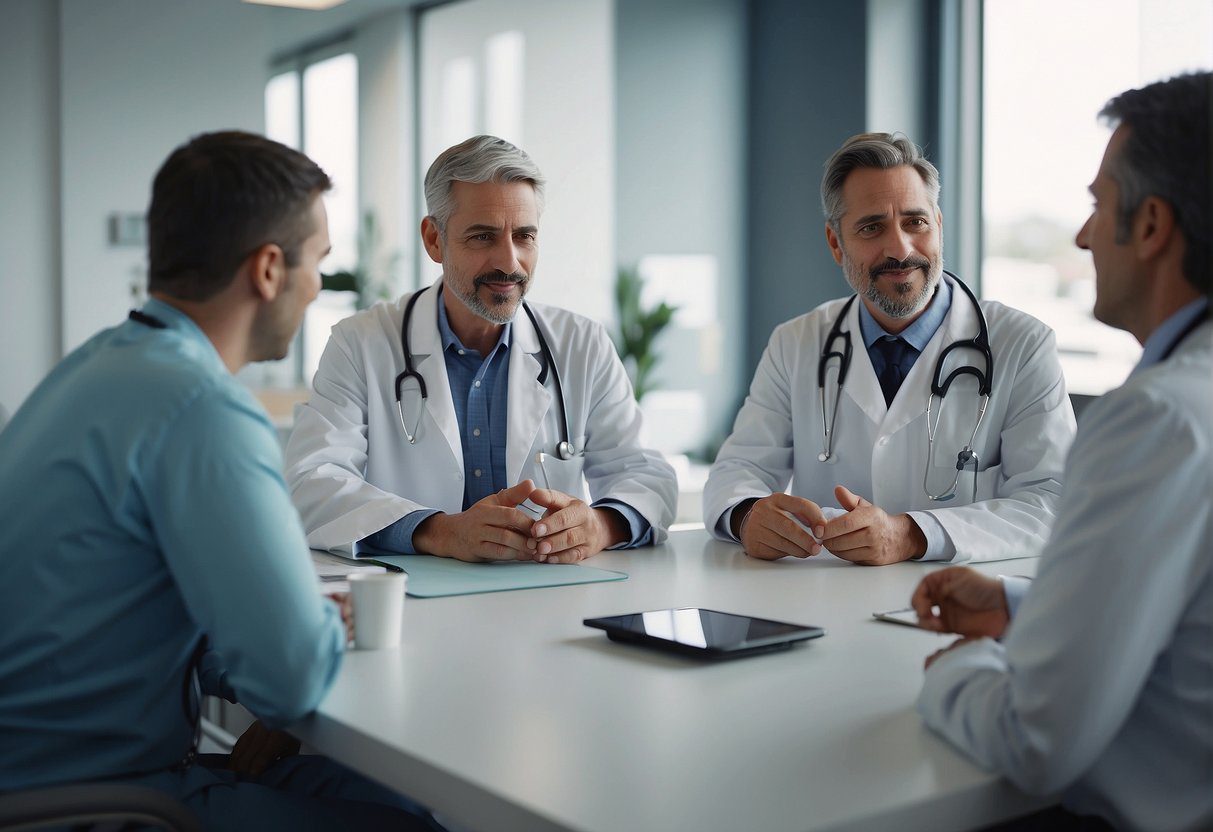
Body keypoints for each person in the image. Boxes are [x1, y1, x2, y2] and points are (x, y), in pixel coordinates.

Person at [0, 131, 434, 830]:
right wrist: (314, 625)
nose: (318, 286)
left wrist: (273, 626)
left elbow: (130, 608)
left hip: (45, 775)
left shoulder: (92, 370)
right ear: (269, 269)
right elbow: (292, 681)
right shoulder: (203, 408)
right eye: (319, 261)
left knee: (389, 796)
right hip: (95, 797)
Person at [912, 72, 1212, 832]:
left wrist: (957, 669)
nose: (1082, 237)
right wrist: (1022, 607)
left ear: (1151, 225)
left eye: (1097, 206)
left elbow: (1032, 736)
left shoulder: (1155, 418)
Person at [285, 135, 676, 563]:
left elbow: (646, 476)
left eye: (524, 236)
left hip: (552, 591)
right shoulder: (360, 343)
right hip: (417, 596)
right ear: (434, 239)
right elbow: (312, 481)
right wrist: (438, 531)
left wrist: (599, 526)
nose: (509, 262)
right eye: (483, 237)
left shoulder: (582, 344)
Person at [703, 132, 1076, 565]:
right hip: (824, 596)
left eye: (915, 222)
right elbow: (738, 469)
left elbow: (1051, 501)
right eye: (871, 227)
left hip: (959, 597)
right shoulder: (796, 343)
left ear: (938, 225)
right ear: (835, 243)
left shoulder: (1023, 344)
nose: (900, 248)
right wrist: (747, 515)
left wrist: (913, 535)